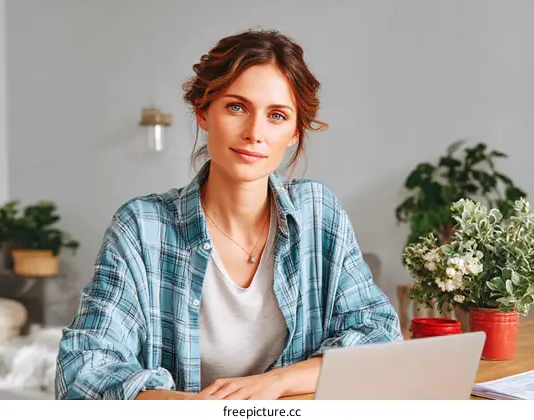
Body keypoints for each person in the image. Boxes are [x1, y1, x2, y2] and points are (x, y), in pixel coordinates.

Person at [54, 28, 402, 401]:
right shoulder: (142, 227)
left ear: (295, 132)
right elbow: (82, 370)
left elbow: (380, 334)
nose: (255, 132)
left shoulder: (318, 212)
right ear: (204, 112)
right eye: (237, 107)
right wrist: (203, 409)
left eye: (277, 116)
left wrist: (277, 382)